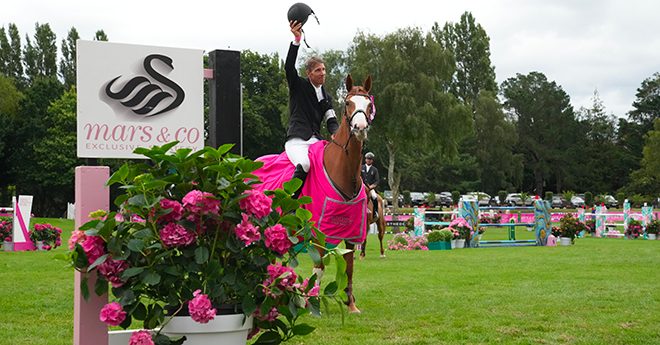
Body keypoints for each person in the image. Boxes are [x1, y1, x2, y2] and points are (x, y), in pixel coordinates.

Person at [285, 20, 339, 198]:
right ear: (308, 73)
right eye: (318, 70)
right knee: (305, 165)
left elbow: (331, 119)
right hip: (297, 140)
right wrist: (296, 40)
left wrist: (335, 133)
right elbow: (289, 66)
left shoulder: (327, 96)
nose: (323, 73)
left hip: (316, 142)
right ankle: (291, 203)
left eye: (324, 69)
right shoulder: (298, 86)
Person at [361, 152, 380, 217]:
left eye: (370, 159)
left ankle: (375, 212)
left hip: (370, 187)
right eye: (367, 158)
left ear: (372, 160)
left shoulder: (374, 170)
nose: (368, 160)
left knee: (374, 196)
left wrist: (371, 186)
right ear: (365, 159)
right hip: (361, 187)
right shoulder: (361, 167)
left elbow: (377, 180)